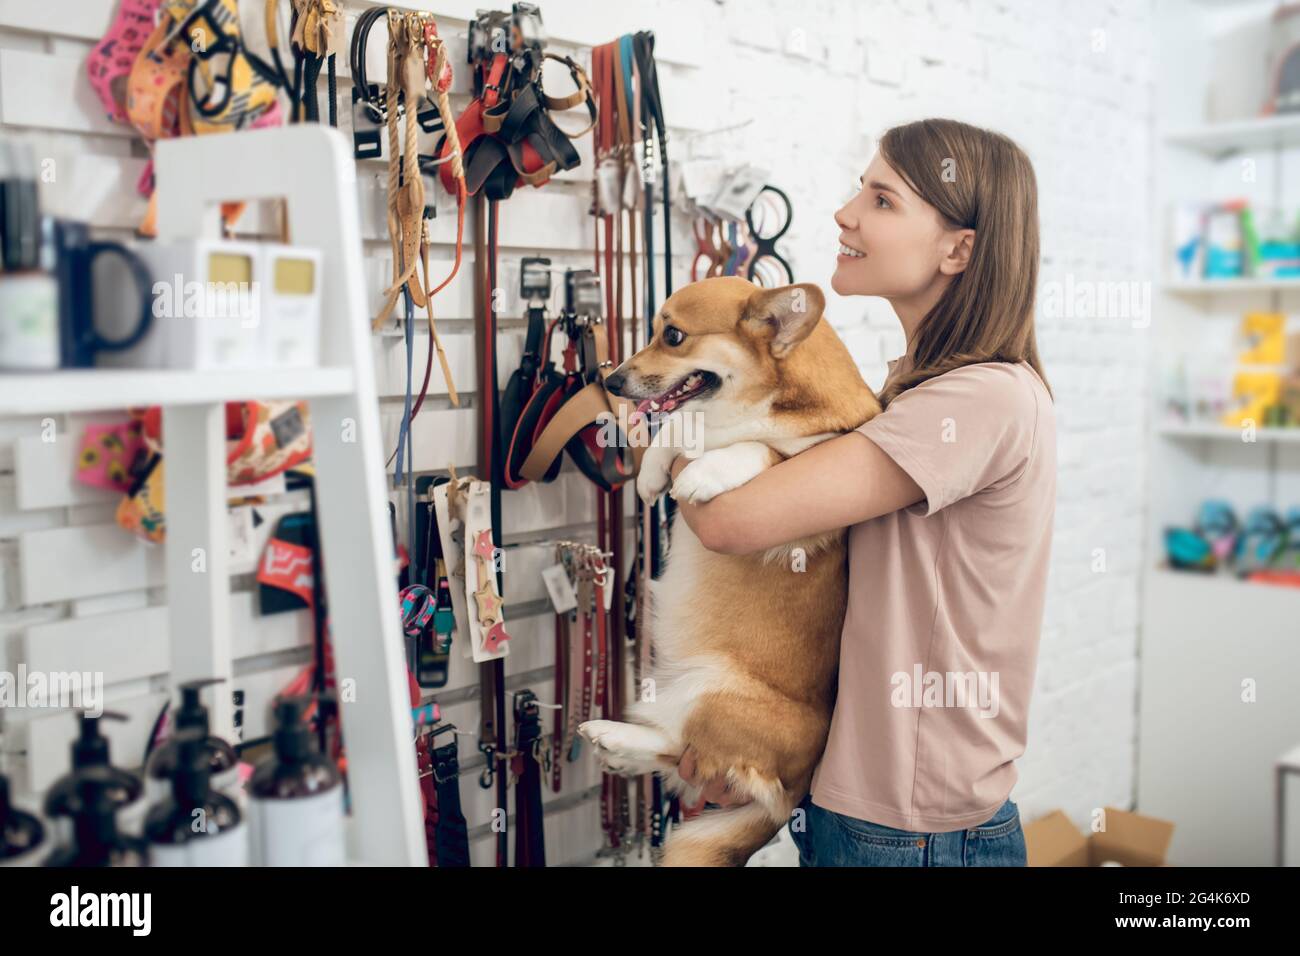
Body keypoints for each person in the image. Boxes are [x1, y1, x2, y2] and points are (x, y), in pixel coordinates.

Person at [670, 118, 1056, 866]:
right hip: (872, 814)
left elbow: (729, 520)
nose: (846, 212)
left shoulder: (978, 401)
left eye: (882, 200)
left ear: (959, 249)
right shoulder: (913, 392)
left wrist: (667, 402)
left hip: (916, 835)